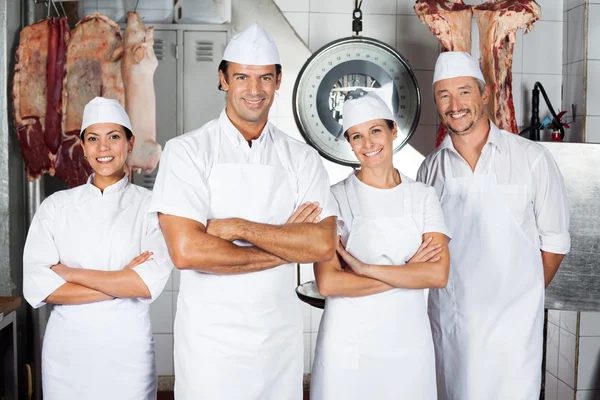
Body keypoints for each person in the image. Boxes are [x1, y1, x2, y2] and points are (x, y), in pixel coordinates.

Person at [149, 23, 338, 400]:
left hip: (277, 341)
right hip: (210, 346)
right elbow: (187, 252)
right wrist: (285, 242)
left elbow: (321, 244)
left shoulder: (301, 158)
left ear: (278, 81)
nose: (254, 90)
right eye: (242, 77)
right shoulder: (186, 152)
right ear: (223, 79)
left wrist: (236, 226)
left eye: (265, 78)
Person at [417, 52, 571, 400]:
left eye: (464, 92)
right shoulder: (429, 170)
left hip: (512, 336)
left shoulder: (531, 159)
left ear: (484, 94)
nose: (455, 104)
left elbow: (555, 244)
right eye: (444, 95)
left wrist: (517, 298)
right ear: (436, 102)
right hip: (452, 327)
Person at [22, 97, 174, 400]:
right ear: (82, 147)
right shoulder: (56, 207)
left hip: (128, 355)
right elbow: (39, 288)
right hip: (67, 356)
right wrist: (120, 280)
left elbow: (145, 285)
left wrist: (69, 274)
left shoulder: (151, 207)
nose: (103, 148)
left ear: (129, 143)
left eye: (113, 137)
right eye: (93, 139)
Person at [310, 92, 451, 400]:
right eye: (356, 136)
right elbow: (329, 282)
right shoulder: (333, 198)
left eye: (376, 131)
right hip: (349, 344)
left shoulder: (423, 196)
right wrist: (408, 272)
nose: (368, 144)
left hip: (408, 344)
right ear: (349, 142)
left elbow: (438, 274)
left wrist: (363, 269)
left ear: (393, 131)